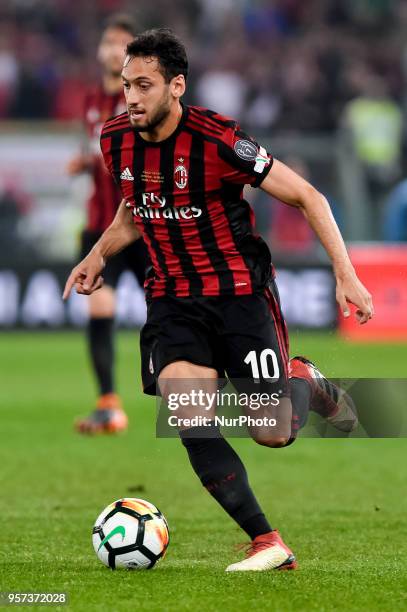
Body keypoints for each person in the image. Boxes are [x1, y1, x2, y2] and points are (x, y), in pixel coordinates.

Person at [63, 29, 374, 571]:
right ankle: (266, 540)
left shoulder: (218, 140)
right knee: (190, 414)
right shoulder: (115, 139)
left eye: (143, 85)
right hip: (172, 299)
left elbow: (308, 195)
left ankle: (302, 378)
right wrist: (98, 255)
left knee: (272, 432)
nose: (130, 97)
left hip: (239, 296)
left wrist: (345, 274)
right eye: (126, 84)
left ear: (175, 86)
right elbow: (137, 205)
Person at [66, 15, 149, 434]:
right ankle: (109, 406)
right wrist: (87, 164)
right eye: (107, 41)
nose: (112, 49)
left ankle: (201, 394)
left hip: (143, 224)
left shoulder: (143, 101)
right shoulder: (90, 99)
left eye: (121, 43)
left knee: (174, 310)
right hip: (100, 227)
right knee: (100, 309)